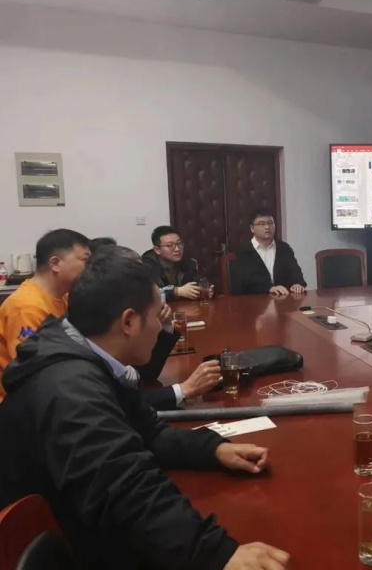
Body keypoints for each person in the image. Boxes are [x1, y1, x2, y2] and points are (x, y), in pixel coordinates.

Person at [0, 254, 289, 570]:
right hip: (63, 546)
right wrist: (215, 554)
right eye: (157, 316)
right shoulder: (70, 387)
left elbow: (147, 432)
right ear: (128, 322)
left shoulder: (87, 355)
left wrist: (214, 449)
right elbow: (122, 487)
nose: (160, 327)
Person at [92, 244, 221, 411]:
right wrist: (183, 389)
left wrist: (165, 326)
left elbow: (145, 374)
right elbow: (120, 404)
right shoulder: (96, 340)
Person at [0, 229, 91, 388]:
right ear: (55, 264)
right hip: (19, 395)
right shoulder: (27, 306)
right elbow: (28, 368)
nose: (89, 268)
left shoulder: (64, 296)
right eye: (84, 260)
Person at [230, 208, 306, 296]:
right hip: (254, 301)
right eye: (261, 224)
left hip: (283, 299)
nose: (267, 227)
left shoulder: (284, 248)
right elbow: (240, 283)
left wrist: (297, 284)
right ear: (252, 228)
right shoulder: (243, 252)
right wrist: (268, 288)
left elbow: (295, 271)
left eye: (270, 223)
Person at [142, 225, 203, 301]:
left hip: (184, 307)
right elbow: (145, 294)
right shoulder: (146, 267)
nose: (177, 249)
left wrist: (202, 290)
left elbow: (196, 283)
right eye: (170, 245)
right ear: (157, 250)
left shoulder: (188, 263)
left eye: (179, 244)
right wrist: (176, 292)